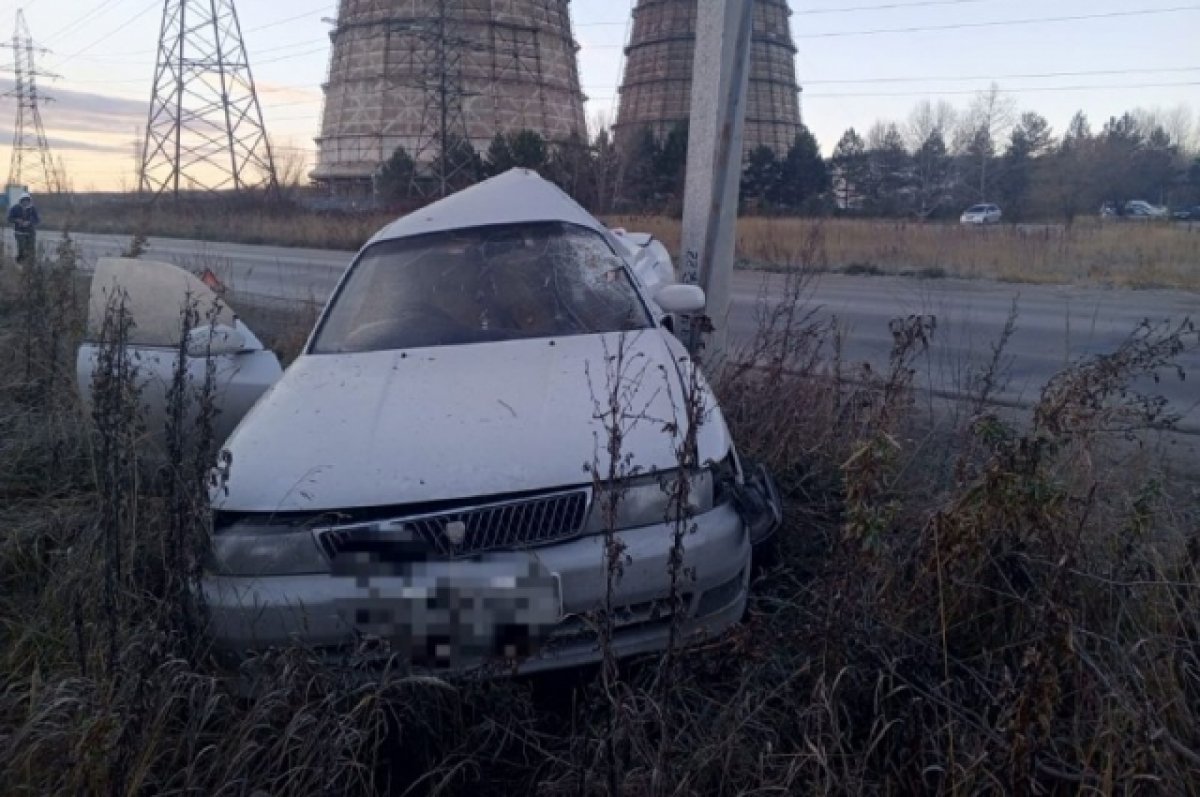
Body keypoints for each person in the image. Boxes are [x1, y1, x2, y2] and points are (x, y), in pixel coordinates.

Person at [8, 192, 40, 264]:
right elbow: (9, 218)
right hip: (19, 232)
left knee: (31, 249)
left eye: (27, 200)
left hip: (30, 232)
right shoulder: (15, 208)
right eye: (24, 200)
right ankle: (19, 262)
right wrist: (17, 220)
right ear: (21, 200)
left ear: (29, 201)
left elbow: (37, 219)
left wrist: (29, 222)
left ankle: (31, 264)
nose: (25, 202)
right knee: (22, 248)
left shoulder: (32, 209)